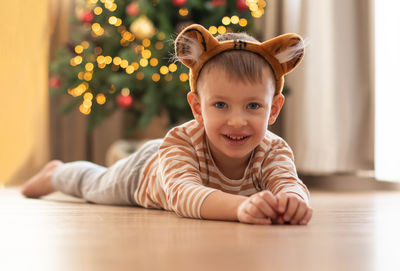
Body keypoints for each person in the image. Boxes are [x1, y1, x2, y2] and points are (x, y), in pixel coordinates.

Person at [21, 24, 312, 225]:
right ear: (198, 108)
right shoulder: (182, 141)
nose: (237, 121)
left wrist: (293, 201)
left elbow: (288, 182)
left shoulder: (273, 150)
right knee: (94, 186)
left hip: (171, 168)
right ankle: (57, 173)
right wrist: (240, 207)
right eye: (220, 105)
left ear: (273, 109)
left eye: (253, 106)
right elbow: (183, 194)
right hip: (144, 173)